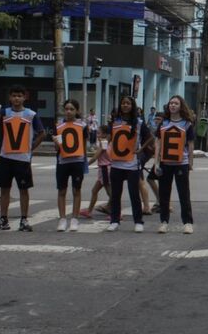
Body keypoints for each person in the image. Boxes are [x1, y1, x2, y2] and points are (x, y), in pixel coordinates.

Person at [0, 86, 46, 232]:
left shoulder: (31, 115)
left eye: (19, 96)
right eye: (14, 95)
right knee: (4, 189)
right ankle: (3, 219)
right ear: (9, 97)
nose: (16, 98)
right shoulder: (4, 112)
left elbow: (42, 133)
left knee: (24, 189)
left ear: (24, 97)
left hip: (22, 159)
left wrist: (31, 147)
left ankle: (24, 219)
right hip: (5, 156)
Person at [106, 94, 154, 233]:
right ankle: (114, 220)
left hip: (131, 164)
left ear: (132, 106)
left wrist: (141, 149)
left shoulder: (138, 122)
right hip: (116, 163)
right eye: (123, 103)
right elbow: (109, 137)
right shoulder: (115, 121)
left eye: (128, 103)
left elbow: (150, 137)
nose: (125, 105)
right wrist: (105, 143)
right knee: (115, 194)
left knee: (134, 194)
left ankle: (138, 221)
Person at [154, 95, 195, 234]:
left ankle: (188, 222)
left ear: (181, 106)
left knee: (184, 194)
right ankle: (164, 221)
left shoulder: (187, 124)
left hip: (181, 163)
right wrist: (156, 162)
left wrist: (190, 162)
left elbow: (190, 144)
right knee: (164, 194)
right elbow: (158, 143)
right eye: (171, 103)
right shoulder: (163, 123)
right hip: (165, 163)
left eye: (176, 103)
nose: (172, 105)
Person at [52, 99, 88, 233]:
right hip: (63, 162)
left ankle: (74, 218)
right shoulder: (59, 126)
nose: (68, 111)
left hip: (77, 161)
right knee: (62, 190)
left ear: (77, 111)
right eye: (66, 109)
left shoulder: (82, 126)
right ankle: (62, 219)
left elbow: (84, 145)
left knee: (76, 190)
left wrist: (85, 162)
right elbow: (57, 148)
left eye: (72, 109)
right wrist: (56, 142)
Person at [80, 125, 111, 218]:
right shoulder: (105, 142)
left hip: (105, 169)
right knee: (94, 190)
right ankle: (89, 211)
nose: (97, 134)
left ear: (104, 134)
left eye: (99, 133)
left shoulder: (104, 143)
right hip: (103, 169)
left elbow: (95, 157)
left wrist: (86, 165)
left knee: (110, 192)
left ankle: (117, 212)